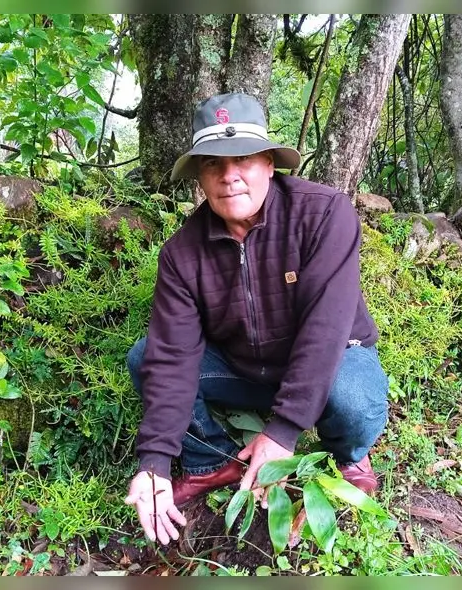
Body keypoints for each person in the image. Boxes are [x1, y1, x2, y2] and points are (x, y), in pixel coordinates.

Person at [123, 93, 389, 545]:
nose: (229, 177)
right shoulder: (182, 254)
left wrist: (282, 433)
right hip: (244, 368)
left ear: (269, 162)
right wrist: (154, 462)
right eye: (213, 164)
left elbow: (326, 329)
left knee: (351, 395)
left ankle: (349, 457)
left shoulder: (324, 214)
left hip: (332, 363)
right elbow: (172, 357)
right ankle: (212, 461)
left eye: (243, 159)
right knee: (144, 356)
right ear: (200, 179)